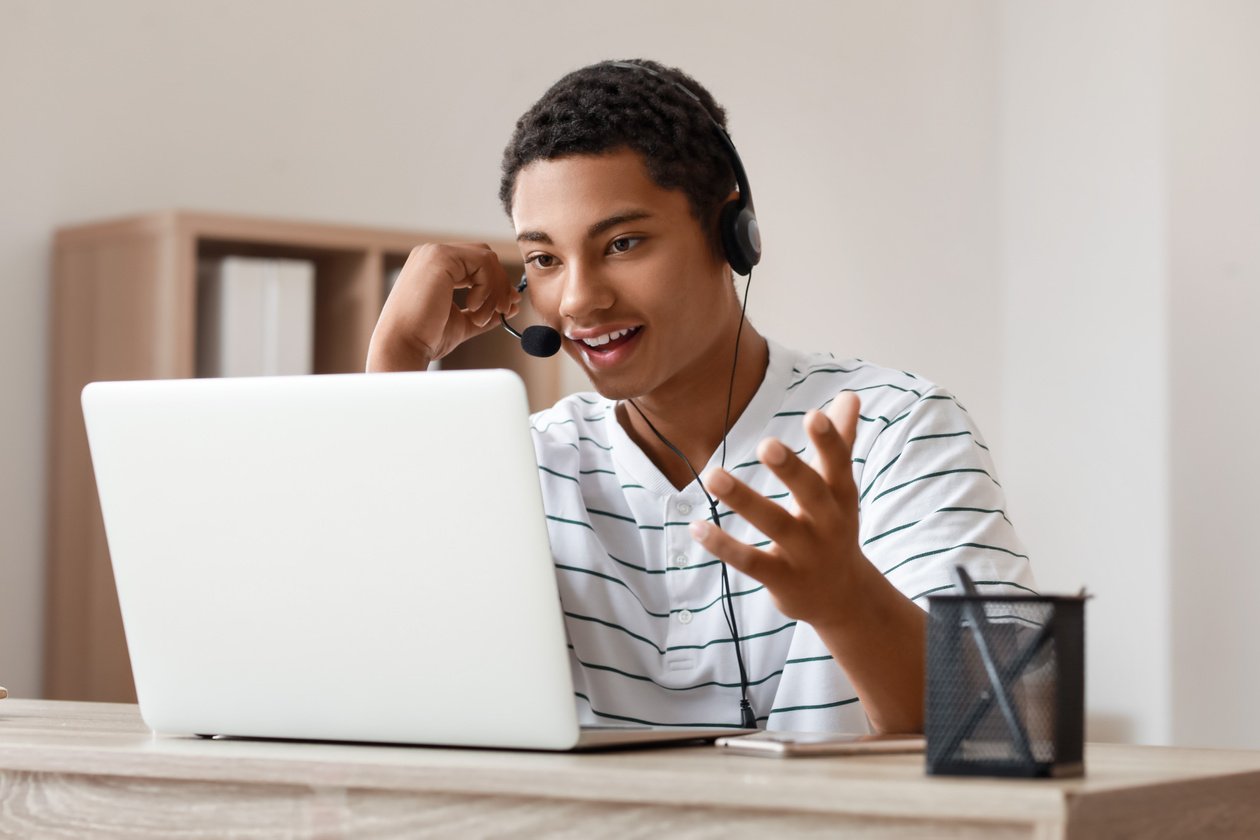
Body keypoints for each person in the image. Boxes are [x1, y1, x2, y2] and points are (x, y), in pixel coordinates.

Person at [367, 59, 1033, 734]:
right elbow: (381, 667)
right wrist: (395, 356)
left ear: (730, 234)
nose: (578, 300)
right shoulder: (524, 466)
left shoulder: (897, 428)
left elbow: (992, 728)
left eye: (622, 243)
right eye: (544, 259)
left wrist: (847, 603)